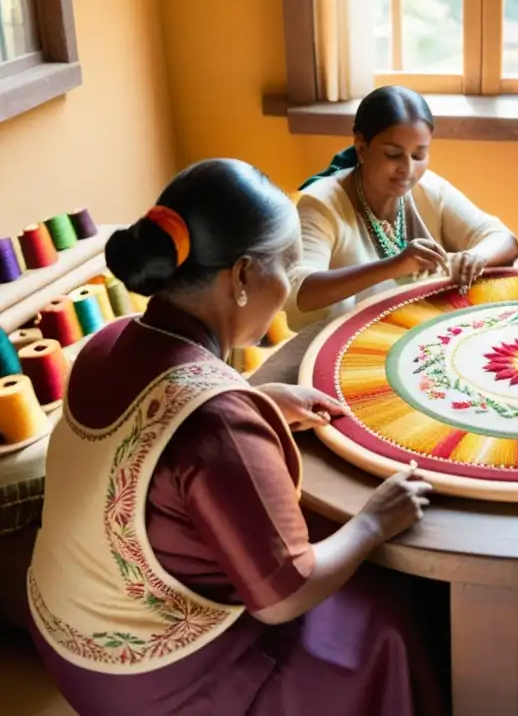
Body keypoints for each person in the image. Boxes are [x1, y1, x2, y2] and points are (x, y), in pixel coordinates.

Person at [27, 159, 447, 716]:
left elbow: (150, 432)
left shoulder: (109, 342)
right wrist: (374, 521)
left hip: (64, 639)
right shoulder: (219, 420)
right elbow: (285, 596)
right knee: (385, 616)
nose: (290, 283)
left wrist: (264, 401)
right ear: (243, 276)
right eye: (288, 266)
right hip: (153, 685)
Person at [287, 86, 518, 329]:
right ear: (362, 149)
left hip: (411, 333)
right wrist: (395, 266)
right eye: (393, 155)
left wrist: (476, 257)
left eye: (419, 156)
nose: (408, 170)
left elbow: (504, 239)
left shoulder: (428, 189)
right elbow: (301, 292)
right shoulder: (321, 204)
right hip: (333, 346)